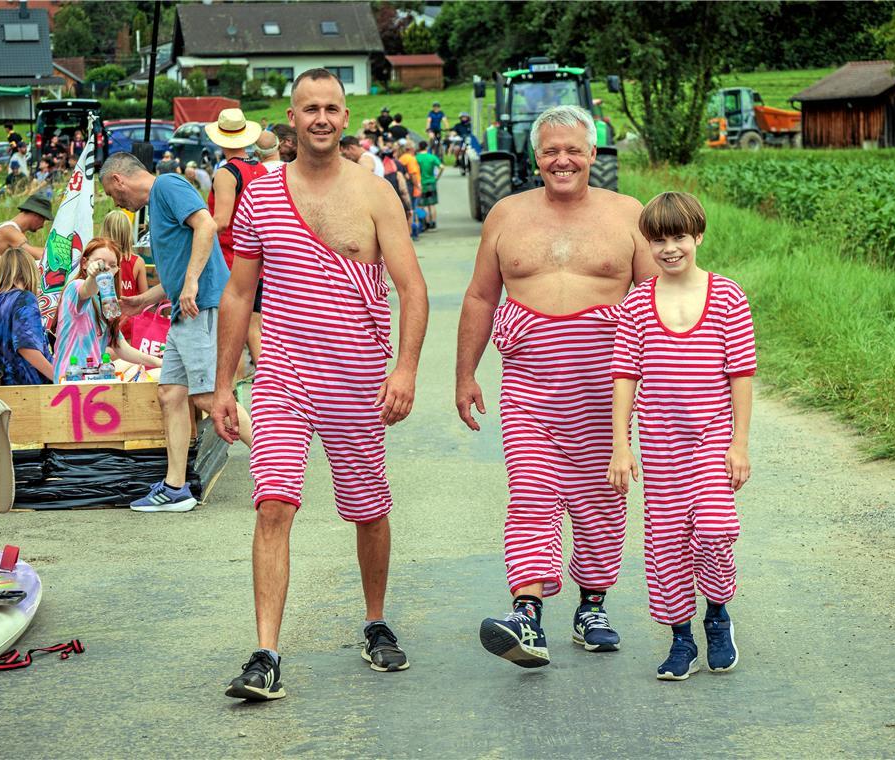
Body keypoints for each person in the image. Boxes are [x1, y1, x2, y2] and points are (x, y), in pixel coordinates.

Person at [213, 67, 429, 700]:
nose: (322, 118)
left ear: (346, 114)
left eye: (332, 107)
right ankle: (265, 654)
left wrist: (406, 368)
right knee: (273, 503)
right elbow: (238, 292)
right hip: (281, 375)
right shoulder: (263, 192)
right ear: (292, 115)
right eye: (310, 108)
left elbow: (413, 288)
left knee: (368, 510)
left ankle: (375, 620)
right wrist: (224, 384)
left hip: (358, 381)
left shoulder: (375, 194)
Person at [455, 105, 656, 668]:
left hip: (605, 391)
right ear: (534, 156)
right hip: (528, 389)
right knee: (532, 497)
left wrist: (670, 385)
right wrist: (465, 374)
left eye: (573, 150)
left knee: (601, 503)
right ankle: (528, 616)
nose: (562, 160)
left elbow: (656, 304)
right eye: (550, 151)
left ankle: (592, 606)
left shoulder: (628, 215)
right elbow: (479, 297)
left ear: (594, 154)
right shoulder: (505, 214)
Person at [607, 191, 756, 680]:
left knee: (715, 528)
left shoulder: (727, 295)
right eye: (658, 240)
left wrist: (740, 443)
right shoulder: (636, 303)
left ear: (698, 237)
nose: (669, 248)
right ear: (647, 243)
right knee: (666, 543)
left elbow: (742, 375)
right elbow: (625, 375)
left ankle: (717, 615)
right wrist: (621, 446)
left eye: (679, 237)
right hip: (660, 445)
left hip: (712, 438)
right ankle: (681, 640)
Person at [99, 151, 252, 513]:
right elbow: (179, 269)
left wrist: (192, 283)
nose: (115, 200)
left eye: (111, 192)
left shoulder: (167, 185)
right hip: (189, 307)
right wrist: (141, 301)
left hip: (200, 306)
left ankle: (277, 464)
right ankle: (175, 487)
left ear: (119, 179)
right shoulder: (159, 200)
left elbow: (207, 225)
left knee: (207, 396)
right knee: (171, 393)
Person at [205, 108, 267, 375]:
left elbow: (221, 221)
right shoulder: (262, 169)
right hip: (261, 261)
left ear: (220, 139)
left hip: (232, 262)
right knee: (256, 330)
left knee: (231, 336)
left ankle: (232, 397)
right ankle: (274, 390)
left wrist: (195, 228)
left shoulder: (226, 174)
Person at [52, 238, 161, 380]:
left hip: (93, 379)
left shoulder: (106, 302)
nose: (105, 268)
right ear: (84, 263)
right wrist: (93, 275)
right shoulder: (76, 287)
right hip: (70, 381)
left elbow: (120, 345)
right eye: (99, 262)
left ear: (116, 271)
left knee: (141, 371)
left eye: (112, 265)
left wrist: (158, 362)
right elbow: (87, 289)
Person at [0, 246, 53, 385]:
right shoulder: (25, 299)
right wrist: (57, 376)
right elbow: (27, 346)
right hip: (32, 386)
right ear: (30, 270)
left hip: (4, 387)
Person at [0, 193, 53, 260]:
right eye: (43, 220)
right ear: (36, 215)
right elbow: (39, 255)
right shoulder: (10, 231)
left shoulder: (4, 226)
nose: (42, 225)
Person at [100, 209, 147, 298]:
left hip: (102, 311)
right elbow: (145, 299)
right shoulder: (138, 262)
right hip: (131, 311)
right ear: (128, 233)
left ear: (105, 231)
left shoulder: (98, 260)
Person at [414, 140, 442, 229]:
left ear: (419, 148)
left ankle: (426, 222)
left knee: (423, 204)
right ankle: (433, 222)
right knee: (432, 204)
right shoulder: (432, 157)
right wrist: (437, 177)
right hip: (431, 181)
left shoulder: (417, 158)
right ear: (426, 147)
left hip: (422, 183)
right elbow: (442, 167)